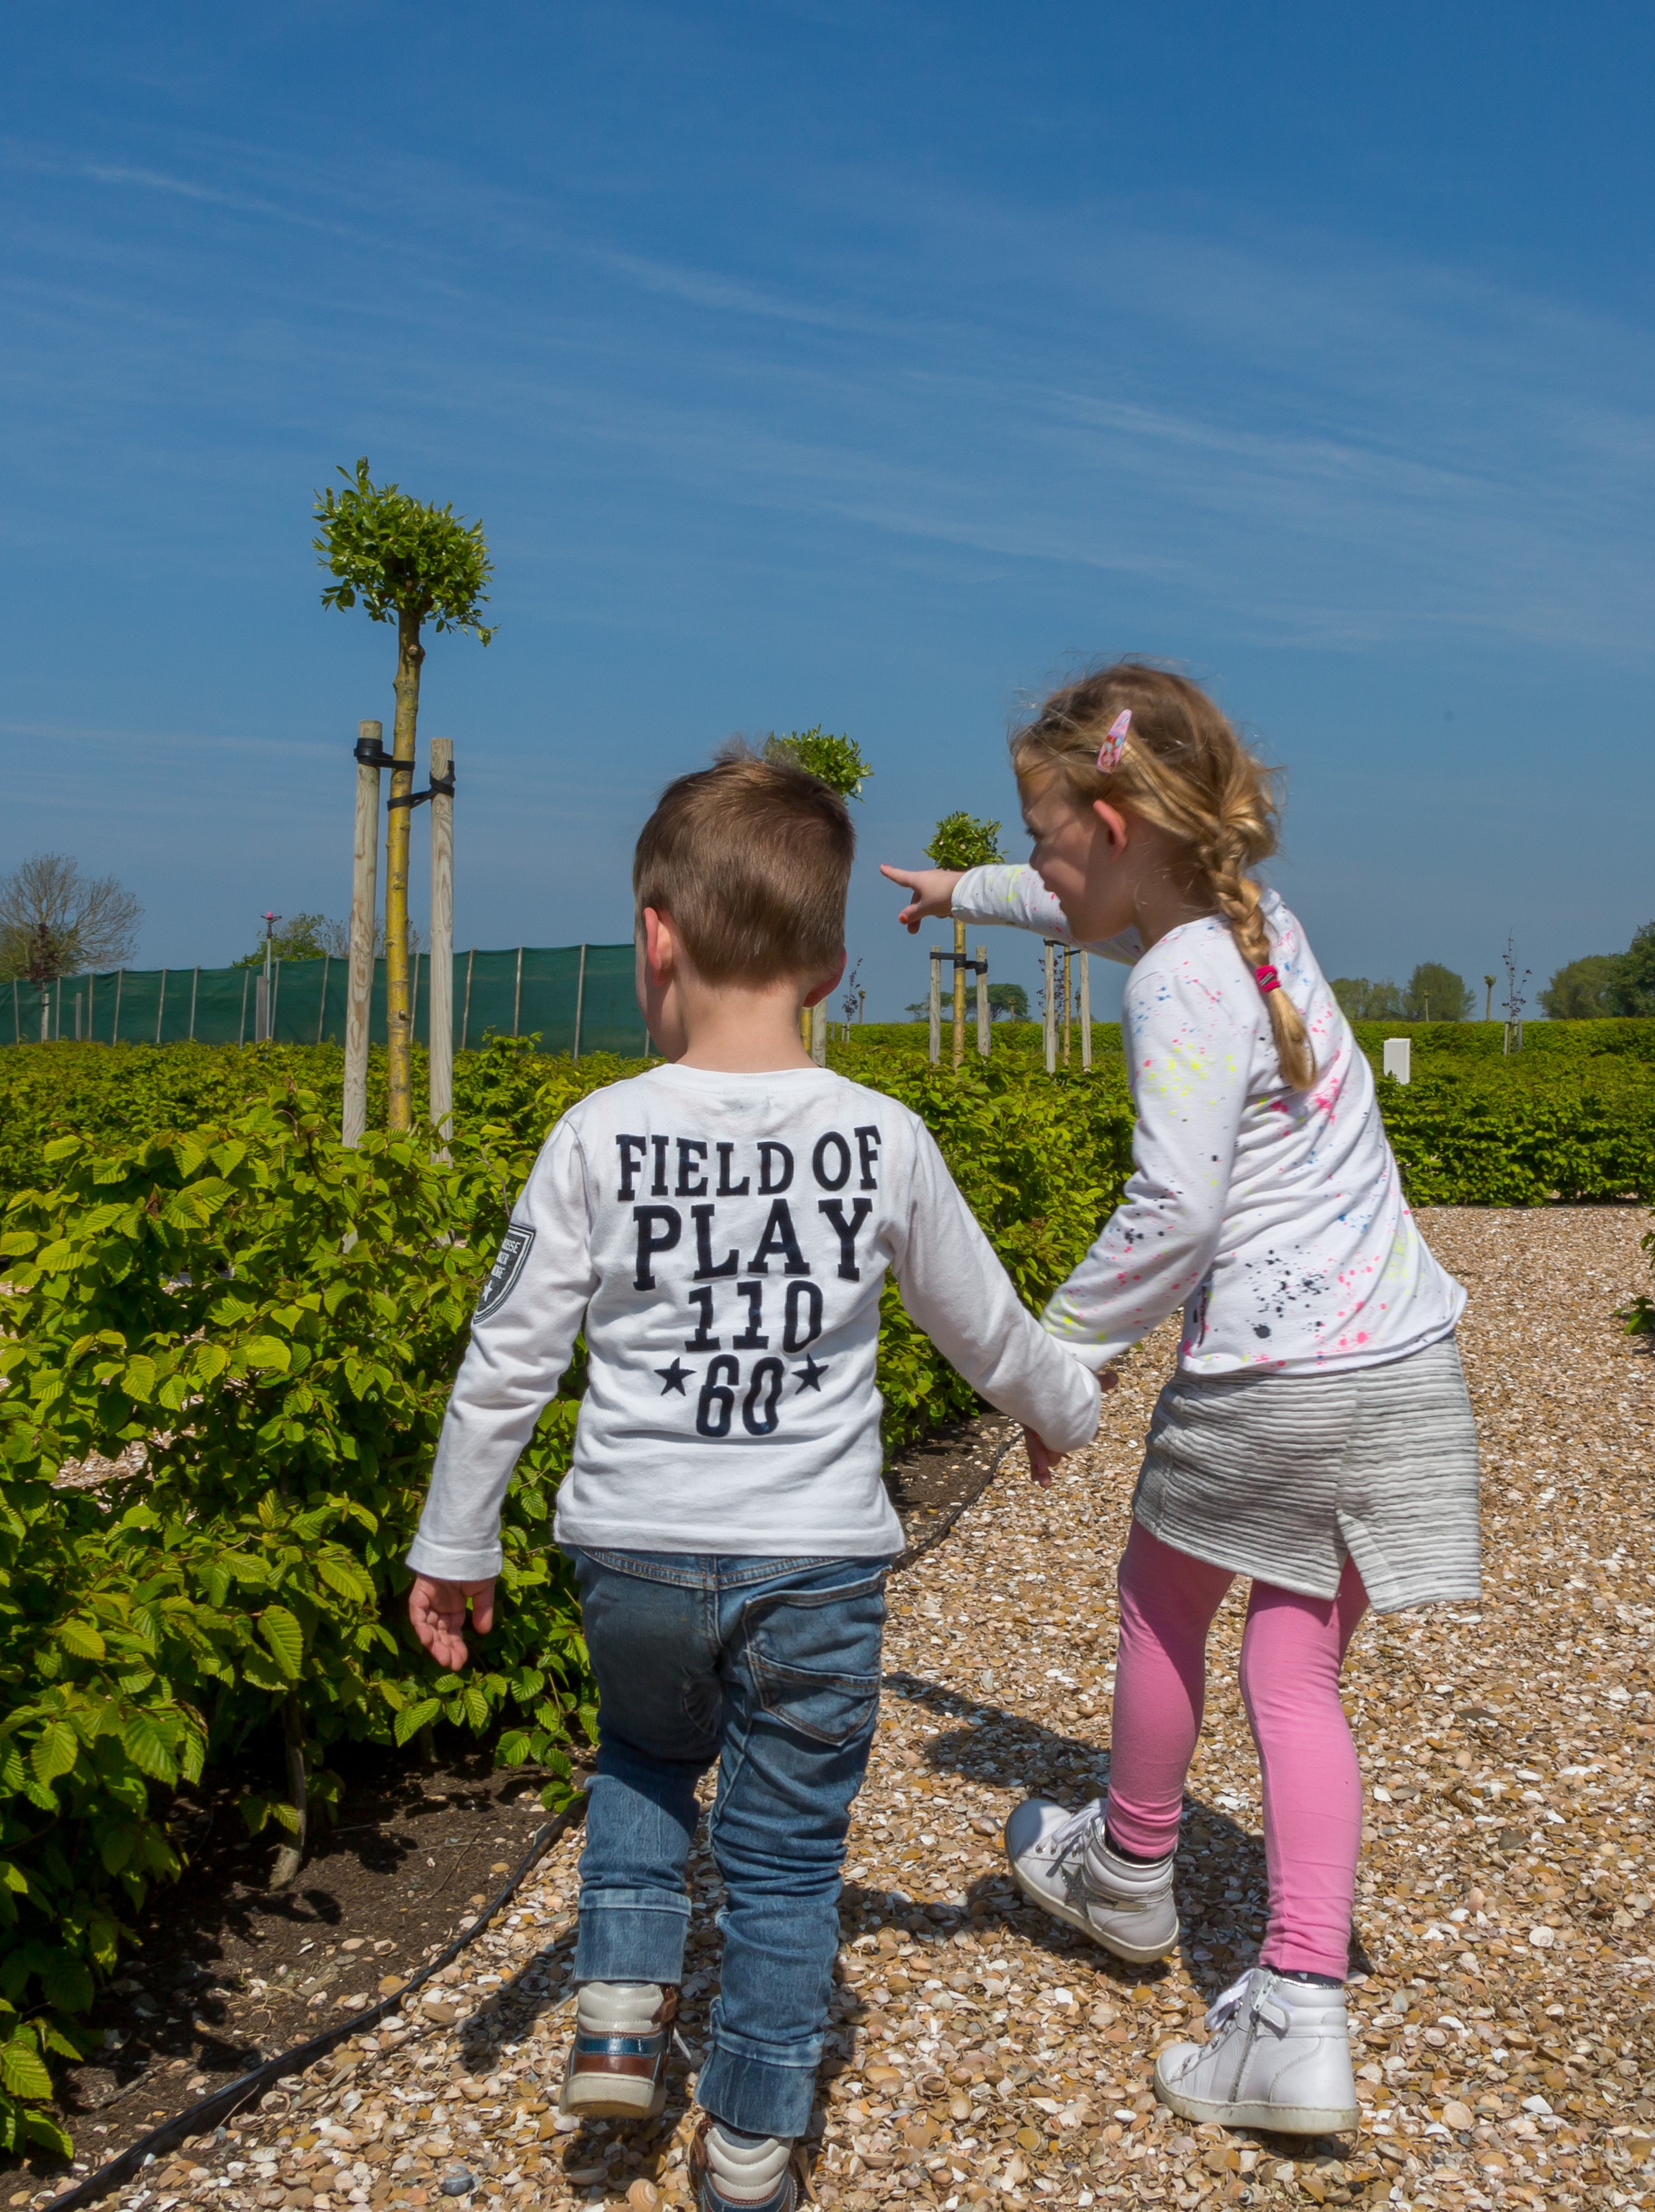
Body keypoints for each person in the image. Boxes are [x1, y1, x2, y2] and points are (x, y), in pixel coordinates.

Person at [408, 748, 1104, 2212]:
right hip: (814, 1567)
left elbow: (505, 1364)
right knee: (787, 1860)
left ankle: (615, 2011)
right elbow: (983, 1320)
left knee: (648, 1762)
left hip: (632, 1556)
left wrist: (454, 1544)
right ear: (837, 967)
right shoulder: (882, 1139)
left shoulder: (593, 1135)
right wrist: (1058, 1406)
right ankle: (751, 2139)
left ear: (653, 936)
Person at [879, 661, 1481, 2137]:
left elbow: (1173, 1210)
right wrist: (966, 886)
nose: (1037, 866)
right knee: (1297, 1676)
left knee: (1161, 1598)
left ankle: (1131, 1870)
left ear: (1106, 814)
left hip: (1269, 1375)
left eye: (1039, 836)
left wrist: (1057, 1358)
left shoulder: (1174, 981)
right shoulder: (1251, 925)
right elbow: (1091, 900)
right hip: (1402, 1361)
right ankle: (1298, 2005)